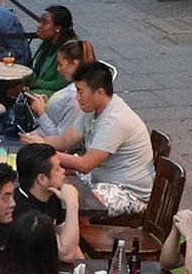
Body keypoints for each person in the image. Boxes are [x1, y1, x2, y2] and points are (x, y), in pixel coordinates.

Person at [55, 63, 154, 230]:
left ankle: (76, 247)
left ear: (99, 93)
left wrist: (49, 154)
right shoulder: (92, 109)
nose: (77, 97)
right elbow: (66, 139)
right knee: (57, 181)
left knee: (75, 202)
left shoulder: (113, 120)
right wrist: (39, 143)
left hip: (128, 192)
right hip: (103, 178)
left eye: (80, 92)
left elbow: (86, 165)